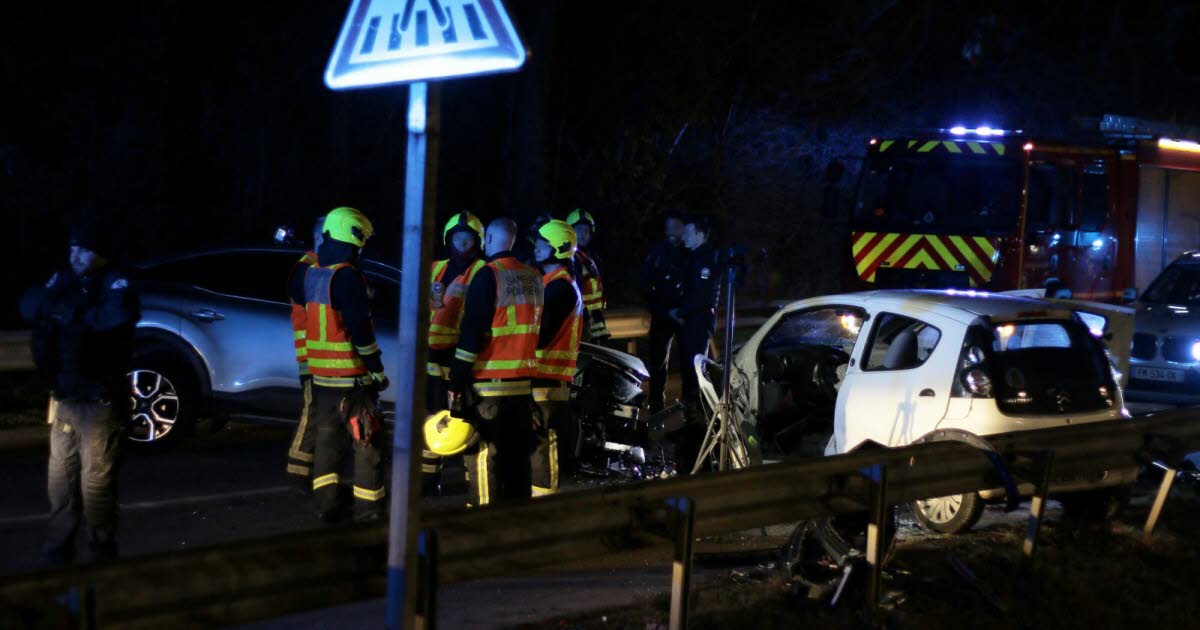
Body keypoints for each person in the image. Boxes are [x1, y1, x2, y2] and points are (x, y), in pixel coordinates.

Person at [19, 221, 140, 565]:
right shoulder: (64, 281)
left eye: (84, 248)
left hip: (98, 403)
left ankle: (100, 552)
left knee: (95, 486)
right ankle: (58, 553)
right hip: (64, 399)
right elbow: (31, 306)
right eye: (73, 247)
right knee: (59, 483)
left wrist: (69, 316)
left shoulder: (116, 283)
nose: (76, 255)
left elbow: (112, 320)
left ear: (100, 252)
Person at [287, 207, 389, 523]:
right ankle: (368, 509)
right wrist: (376, 369)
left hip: (322, 379)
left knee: (328, 444)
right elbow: (360, 328)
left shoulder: (311, 274)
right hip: (352, 379)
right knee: (367, 444)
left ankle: (326, 504)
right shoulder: (347, 276)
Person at [449, 217, 543, 506]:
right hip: (523, 386)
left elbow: (472, 332)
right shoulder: (533, 277)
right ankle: (518, 519)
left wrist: (457, 379)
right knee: (517, 456)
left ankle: (485, 520)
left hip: (490, 387)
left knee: (482, 454)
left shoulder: (488, 275)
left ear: (488, 239)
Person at [423, 212, 486, 496]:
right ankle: (426, 481)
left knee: (463, 420)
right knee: (431, 419)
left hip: (462, 359)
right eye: (457, 238)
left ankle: (471, 480)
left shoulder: (482, 272)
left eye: (468, 238)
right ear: (448, 240)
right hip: (430, 359)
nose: (462, 244)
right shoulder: (435, 268)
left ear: (477, 242)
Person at [530, 219, 584, 494]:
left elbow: (541, 332)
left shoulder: (560, 288)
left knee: (541, 446)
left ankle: (543, 507)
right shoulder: (553, 283)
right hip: (549, 378)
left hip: (546, 378)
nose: (537, 248)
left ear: (558, 249)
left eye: (543, 244)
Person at [669, 215, 721, 474]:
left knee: (694, 369)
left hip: (697, 321)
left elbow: (701, 295)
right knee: (689, 371)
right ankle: (692, 417)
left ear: (700, 234)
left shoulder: (706, 259)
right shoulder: (693, 256)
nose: (684, 236)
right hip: (691, 319)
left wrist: (681, 310)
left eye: (689, 232)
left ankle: (697, 419)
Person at [285, 214, 326, 490]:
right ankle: (298, 473)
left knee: (318, 412)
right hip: (312, 357)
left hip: (319, 355)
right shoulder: (309, 267)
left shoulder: (316, 265)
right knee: (312, 411)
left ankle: (307, 471)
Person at [640, 212, 687, 415]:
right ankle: (656, 407)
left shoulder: (689, 252)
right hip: (662, 315)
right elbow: (645, 282)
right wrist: (661, 309)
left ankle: (689, 408)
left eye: (676, 228)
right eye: (669, 228)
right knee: (658, 364)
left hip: (684, 316)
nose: (672, 233)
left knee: (689, 363)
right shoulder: (658, 253)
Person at [567, 208, 610, 341]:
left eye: (586, 230)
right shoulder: (571, 258)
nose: (583, 234)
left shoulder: (590, 257)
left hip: (594, 319)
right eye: (578, 229)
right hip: (581, 319)